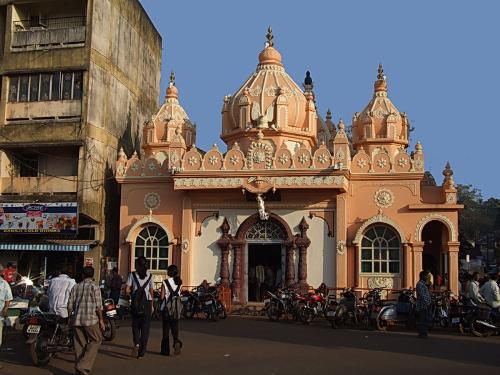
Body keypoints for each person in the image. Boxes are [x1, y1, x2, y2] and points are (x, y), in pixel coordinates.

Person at [67, 266, 104, 375]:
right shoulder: (95, 287)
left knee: (79, 345)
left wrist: (70, 318)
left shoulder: (76, 287)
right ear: (93, 276)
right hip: (91, 320)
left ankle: (80, 370)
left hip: (77, 319)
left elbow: (69, 305)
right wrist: (101, 319)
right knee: (97, 340)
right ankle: (83, 366)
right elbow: (99, 307)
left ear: (82, 275)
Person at [126, 256, 154, 359]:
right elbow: (151, 291)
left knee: (135, 325)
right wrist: (152, 306)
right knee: (145, 329)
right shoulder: (150, 276)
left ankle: (136, 343)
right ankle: (141, 354)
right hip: (146, 303)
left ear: (137, 265)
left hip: (135, 303)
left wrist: (131, 294)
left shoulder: (132, 275)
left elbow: (127, 290)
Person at [160, 265, 183, 356]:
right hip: (176, 309)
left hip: (167, 309)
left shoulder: (165, 282)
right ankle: (176, 341)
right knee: (175, 328)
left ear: (169, 272)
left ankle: (165, 351)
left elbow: (162, 296)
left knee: (166, 330)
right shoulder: (179, 282)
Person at [0, 264, 13, 370]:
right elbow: (8, 299)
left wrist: (5, 309)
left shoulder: (4, 284)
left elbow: (8, 299)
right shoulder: (4, 283)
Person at [415, 270, 432, 339]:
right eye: (426, 276)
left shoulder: (423, 284)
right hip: (422, 305)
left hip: (425, 305)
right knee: (422, 320)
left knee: (425, 320)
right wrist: (428, 302)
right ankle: (422, 333)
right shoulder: (420, 284)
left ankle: (424, 332)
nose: (427, 277)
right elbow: (423, 295)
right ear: (423, 276)